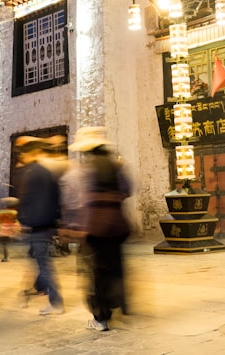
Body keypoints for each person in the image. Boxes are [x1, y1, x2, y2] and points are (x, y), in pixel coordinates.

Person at [67, 126, 132, 332]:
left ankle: (100, 317)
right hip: (117, 224)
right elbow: (127, 189)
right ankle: (118, 304)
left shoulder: (86, 170)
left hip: (94, 227)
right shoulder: (117, 166)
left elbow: (79, 200)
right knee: (115, 268)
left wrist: (76, 227)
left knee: (96, 273)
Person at [14, 138, 65, 316]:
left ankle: (56, 302)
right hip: (47, 223)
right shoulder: (46, 172)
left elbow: (27, 199)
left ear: (30, 154)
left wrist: (22, 219)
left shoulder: (32, 173)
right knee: (42, 263)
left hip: (37, 225)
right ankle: (44, 294)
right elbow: (57, 197)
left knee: (44, 265)